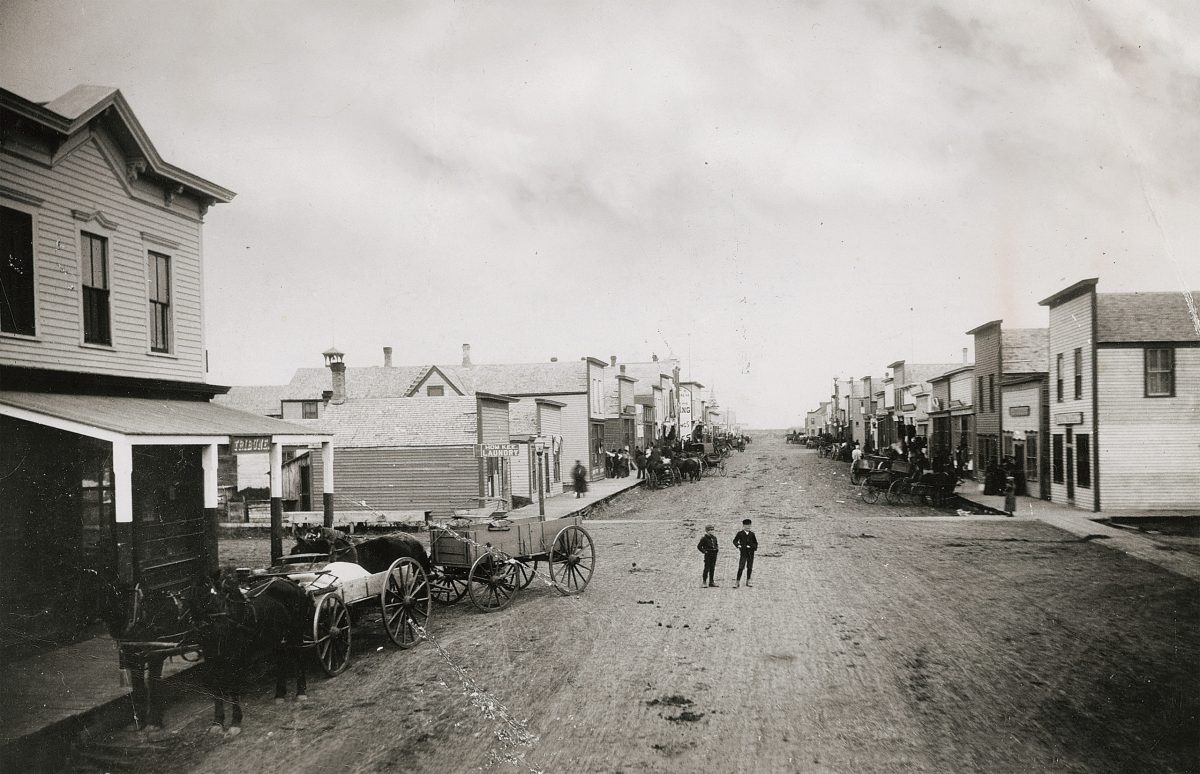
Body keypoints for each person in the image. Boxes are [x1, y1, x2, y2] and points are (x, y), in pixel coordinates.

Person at [733, 518, 758, 588]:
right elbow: (735, 541)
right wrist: (738, 545)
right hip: (743, 552)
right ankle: (737, 582)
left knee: (749, 567)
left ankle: (748, 580)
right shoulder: (740, 533)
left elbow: (755, 543)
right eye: (747, 526)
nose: (748, 528)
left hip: (750, 553)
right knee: (741, 566)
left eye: (749, 526)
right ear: (743, 526)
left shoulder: (752, 534)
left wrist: (752, 547)